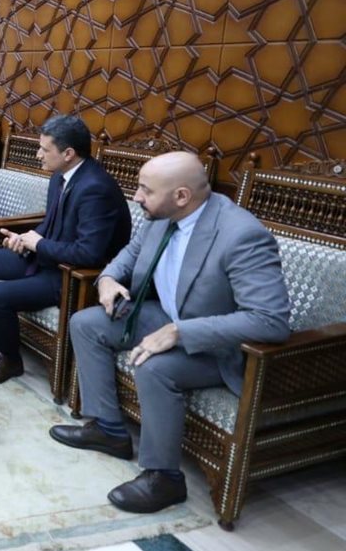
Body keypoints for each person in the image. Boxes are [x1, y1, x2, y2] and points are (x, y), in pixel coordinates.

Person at [49, 152, 290, 514]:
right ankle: (108, 429)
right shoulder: (161, 217)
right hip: (167, 315)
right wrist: (109, 280)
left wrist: (179, 332)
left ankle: (164, 478)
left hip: (220, 347)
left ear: (181, 196)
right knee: (86, 323)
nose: (136, 196)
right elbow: (127, 256)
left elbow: (271, 321)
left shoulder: (241, 235)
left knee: (155, 368)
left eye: (146, 190)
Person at [0, 114, 132, 386]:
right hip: (44, 259)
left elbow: (89, 254)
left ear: (68, 153)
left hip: (69, 277)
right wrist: (25, 239)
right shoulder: (60, 176)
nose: (38, 155)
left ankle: (9, 359)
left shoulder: (96, 189)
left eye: (44, 149)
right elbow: (52, 221)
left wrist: (38, 244)